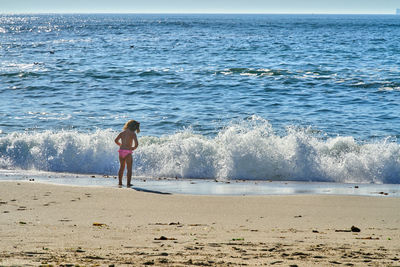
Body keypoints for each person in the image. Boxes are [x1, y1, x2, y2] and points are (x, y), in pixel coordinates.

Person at [114, 120, 140, 187]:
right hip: (128, 152)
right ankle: (128, 183)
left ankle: (120, 182)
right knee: (129, 169)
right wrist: (133, 148)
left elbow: (115, 140)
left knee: (121, 167)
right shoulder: (133, 134)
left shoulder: (122, 133)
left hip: (121, 151)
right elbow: (136, 144)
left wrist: (120, 145)